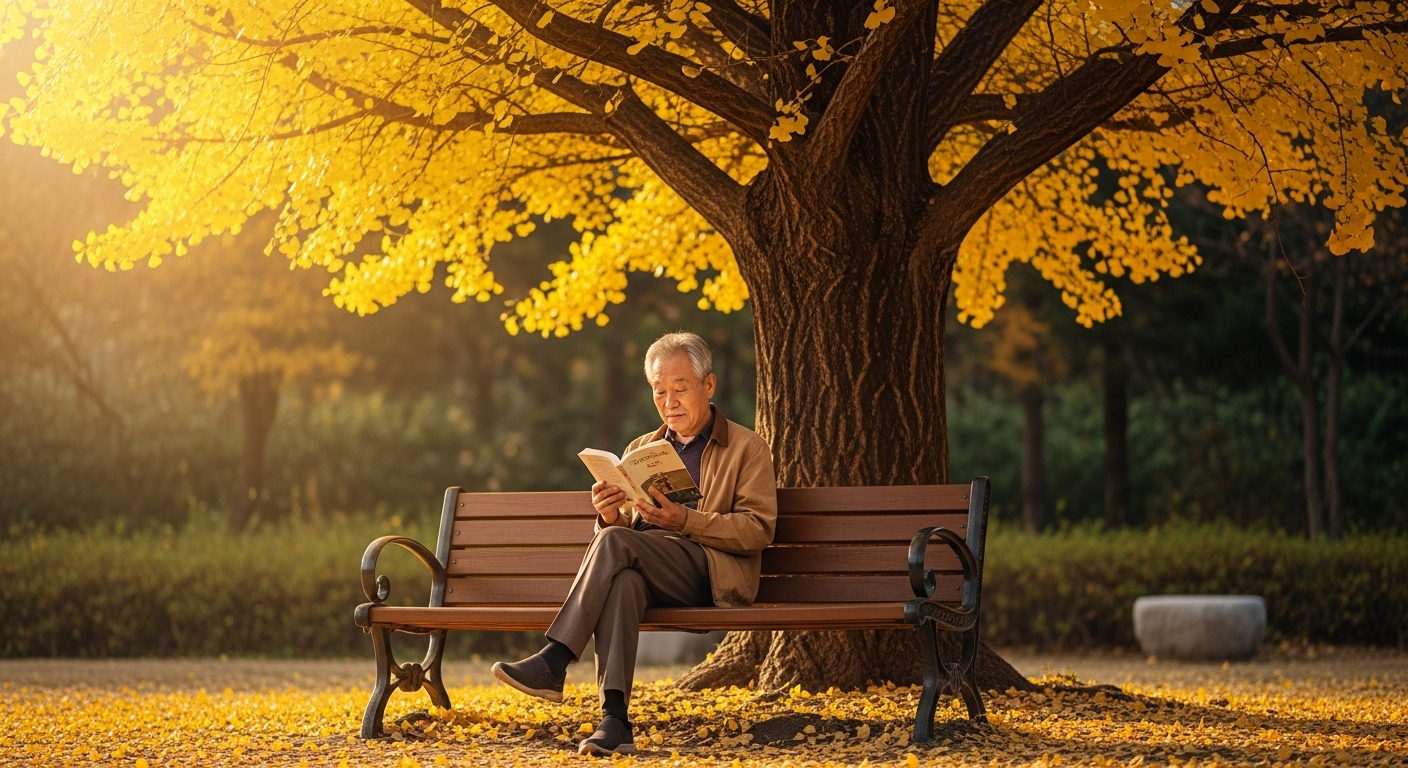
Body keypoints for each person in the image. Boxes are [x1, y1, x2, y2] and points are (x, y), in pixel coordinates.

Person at [491, 331, 778, 756]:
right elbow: (623, 530)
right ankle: (615, 719)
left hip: (708, 571)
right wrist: (609, 515)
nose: (669, 401)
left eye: (680, 389)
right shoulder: (642, 448)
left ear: (709, 386)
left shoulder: (746, 448)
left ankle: (555, 659)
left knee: (614, 544)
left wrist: (686, 520)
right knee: (622, 579)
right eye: (659, 391)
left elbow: (758, 529)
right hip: (645, 563)